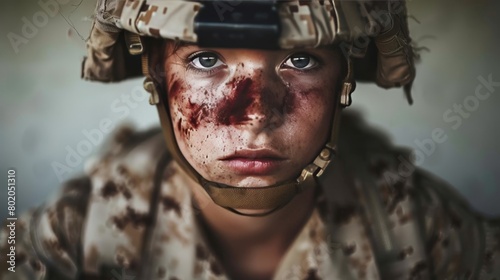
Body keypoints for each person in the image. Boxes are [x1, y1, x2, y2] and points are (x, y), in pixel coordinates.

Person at [1, 0, 499, 279]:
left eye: (301, 61)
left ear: (343, 83)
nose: (255, 115)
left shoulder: (417, 225)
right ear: (156, 76)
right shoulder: (78, 231)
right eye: (204, 60)